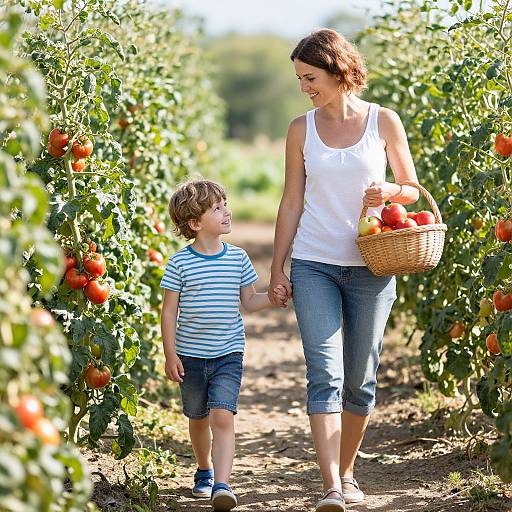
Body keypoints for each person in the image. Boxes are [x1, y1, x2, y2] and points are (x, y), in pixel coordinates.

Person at [267, 29, 420, 512]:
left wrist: (389, 193)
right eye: (299, 79)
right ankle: (332, 485)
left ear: (338, 71)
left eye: (310, 77)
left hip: (372, 264)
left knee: (361, 379)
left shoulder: (383, 120)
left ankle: (348, 472)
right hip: (314, 263)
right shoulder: (301, 128)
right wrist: (278, 267)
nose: (304, 87)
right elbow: (291, 202)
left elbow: (412, 188)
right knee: (325, 374)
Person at [160, 179, 287, 511]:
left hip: (228, 353)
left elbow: (249, 300)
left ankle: (222, 484)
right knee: (197, 417)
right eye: (217, 208)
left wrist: (272, 299)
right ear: (195, 223)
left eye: (226, 204)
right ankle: (204, 469)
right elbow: (169, 310)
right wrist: (170, 353)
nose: (227, 211)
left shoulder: (238, 258)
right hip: (189, 356)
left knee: (222, 416)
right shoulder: (180, 263)